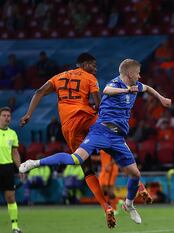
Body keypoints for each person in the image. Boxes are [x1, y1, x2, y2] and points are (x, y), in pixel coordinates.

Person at [20, 59, 171, 225]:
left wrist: (162, 98)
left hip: (117, 138)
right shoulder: (115, 84)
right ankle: (35, 163)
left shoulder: (137, 85)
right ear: (129, 74)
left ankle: (129, 205)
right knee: (76, 159)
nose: (140, 75)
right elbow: (107, 90)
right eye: (137, 73)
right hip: (101, 131)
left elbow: (147, 88)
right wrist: (127, 89)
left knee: (135, 174)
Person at [18, 53, 117, 228]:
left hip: (69, 126)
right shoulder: (90, 77)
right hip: (87, 117)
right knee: (114, 140)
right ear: (85, 64)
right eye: (93, 65)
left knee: (86, 167)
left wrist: (28, 114)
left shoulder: (59, 77)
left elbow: (39, 91)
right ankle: (136, 187)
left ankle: (106, 207)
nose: (96, 68)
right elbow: (98, 103)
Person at [0, 107, 24, 233]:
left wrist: (20, 168)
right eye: (4, 115)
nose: (6, 118)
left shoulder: (12, 133)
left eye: (8, 116)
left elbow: (15, 153)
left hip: (7, 168)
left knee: (10, 197)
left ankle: (15, 227)